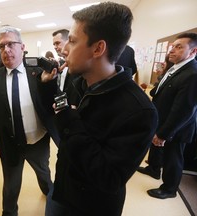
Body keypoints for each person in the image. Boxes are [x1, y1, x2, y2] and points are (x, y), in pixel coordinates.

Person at [39, 2, 158, 215]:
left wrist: (71, 122)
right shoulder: (78, 83)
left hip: (92, 206)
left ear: (98, 48)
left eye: (72, 41)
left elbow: (109, 178)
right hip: (62, 190)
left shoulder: (140, 111)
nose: (64, 49)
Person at [0, 26, 59, 216]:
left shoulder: (39, 73)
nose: (6, 50)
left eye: (11, 44)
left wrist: (48, 83)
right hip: (9, 145)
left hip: (38, 141)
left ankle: (52, 200)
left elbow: (51, 104)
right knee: (11, 185)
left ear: (22, 47)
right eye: (2, 46)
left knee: (44, 175)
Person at [138, 33, 197, 199]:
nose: (172, 50)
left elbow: (184, 109)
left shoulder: (192, 74)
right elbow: (161, 91)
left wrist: (165, 133)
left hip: (177, 127)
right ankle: (153, 169)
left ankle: (169, 189)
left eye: (179, 47)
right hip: (163, 119)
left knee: (173, 158)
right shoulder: (174, 67)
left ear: (193, 52)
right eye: (173, 46)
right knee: (156, 146)